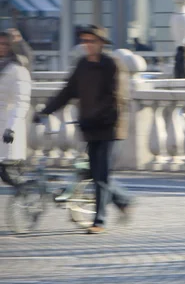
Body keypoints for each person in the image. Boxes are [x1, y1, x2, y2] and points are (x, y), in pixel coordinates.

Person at [36, 25, 133, 234]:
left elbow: (118, 98)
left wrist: (98, 119)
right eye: (84, 41)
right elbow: (67, 92)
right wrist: (45, 111)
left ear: (101, 43)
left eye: (91, 41)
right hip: (90, 128)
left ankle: (99, 221)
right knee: (95, 173)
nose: (87, 45)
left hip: (111, 129)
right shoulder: (82, 65)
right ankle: (124, 200)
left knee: (101, 176)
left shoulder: (112, 65)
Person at [0, 31, 31, 160]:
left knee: (8, 172)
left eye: (6, 44)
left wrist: (11, 128)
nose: (2, 47)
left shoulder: (18, 70)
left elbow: (21, 102)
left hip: (7, 128)